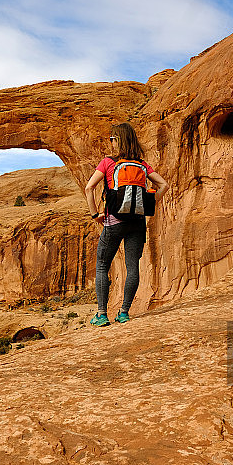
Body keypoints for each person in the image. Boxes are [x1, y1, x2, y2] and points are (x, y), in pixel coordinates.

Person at [84, 122, 168, 326]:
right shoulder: (142, 164)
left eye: (112, 139)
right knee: (132, 267)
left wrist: (95, 214)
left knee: (103, 265)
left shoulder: (108, 162)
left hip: (113, 221)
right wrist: (148, 203)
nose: (110, 143)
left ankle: (102, 315)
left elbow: (89, 188)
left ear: (118, 140)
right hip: (137, 223)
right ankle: (123, 312)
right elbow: (164, 185)